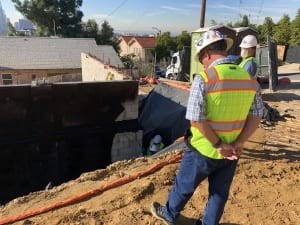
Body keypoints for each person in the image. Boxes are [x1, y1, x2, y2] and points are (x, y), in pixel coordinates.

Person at [150, 30, 264, 225]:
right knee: (219, 194)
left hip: (202, 149)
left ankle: (168, 214)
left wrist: (218, 144)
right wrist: (238, 142)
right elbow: (256, 115)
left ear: (207, 54)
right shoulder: (249, 79)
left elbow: (196, 120)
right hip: (231, 151)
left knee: (184, 185)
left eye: (201, 58)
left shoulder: (204, 78)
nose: (202, 62)